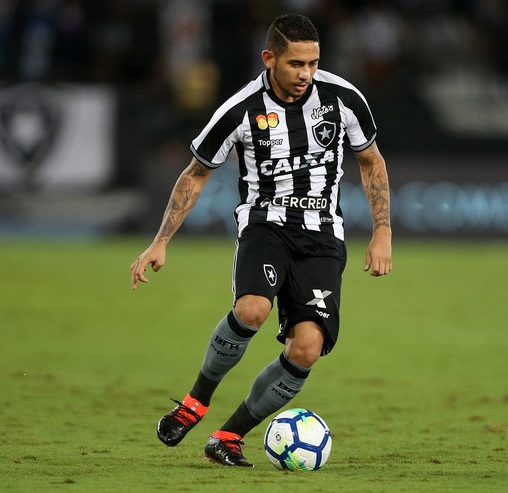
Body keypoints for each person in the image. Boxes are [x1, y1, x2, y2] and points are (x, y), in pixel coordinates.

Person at [130, 13, 392, 468]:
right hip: (264, 226)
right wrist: (161, 240)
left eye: (313, 63)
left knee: (307, 348)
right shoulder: (239, 109)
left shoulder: (343, 98)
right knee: (252, 309)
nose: (306, 74)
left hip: (322, 236)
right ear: (269, 58)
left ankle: (228, 437)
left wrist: (383, 231)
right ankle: (195, 402)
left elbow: (371, 161)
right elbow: (195, 174)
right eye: (296, 64)